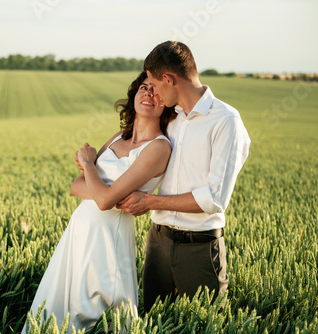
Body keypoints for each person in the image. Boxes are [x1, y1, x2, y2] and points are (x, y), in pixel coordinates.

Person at [22, 71, 176, 333]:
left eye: (156, 90)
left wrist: (88, 164)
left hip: (107, 240)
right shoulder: (117, 138)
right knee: (56, 311)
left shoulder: (159, 147)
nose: (148, 93)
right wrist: (101, 183)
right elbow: (75, 186)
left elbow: (103, 201)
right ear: (134, 95)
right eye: (143, 87)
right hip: (78, 235)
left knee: (94, 315)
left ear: (167, 103)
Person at [116, 41, 251, 311]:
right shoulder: (169, 118)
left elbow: (214, 199)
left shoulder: (226, 121)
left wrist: (150, 202)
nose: (152, 92)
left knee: (205, 325)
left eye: (153, 84)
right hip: (158, 242)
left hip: (199, 248)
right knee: (155, 321)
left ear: (169, 79)